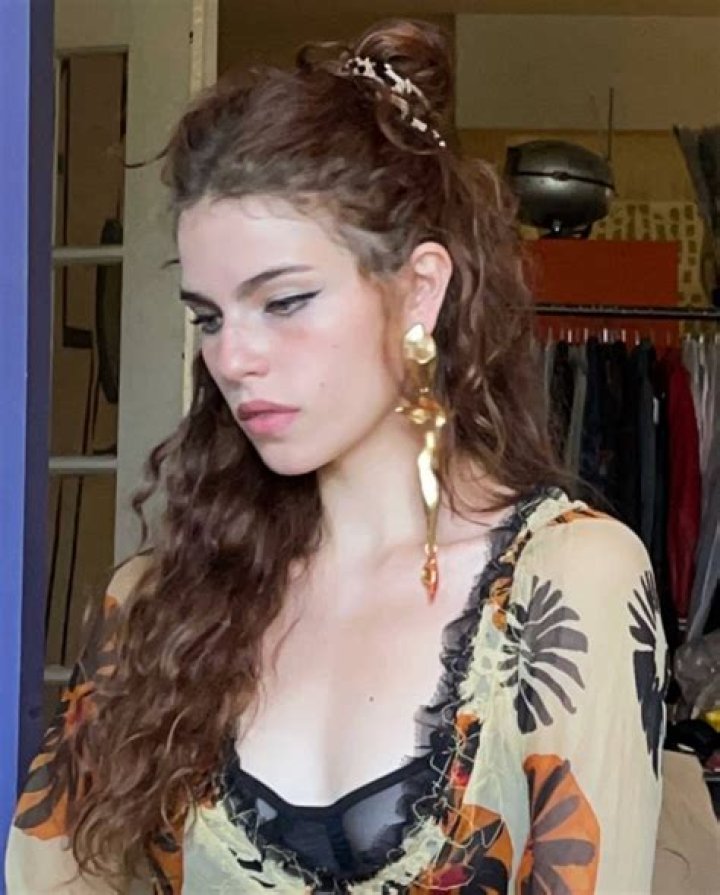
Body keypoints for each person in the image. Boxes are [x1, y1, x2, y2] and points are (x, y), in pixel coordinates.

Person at [5, 18, 666, 895]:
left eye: (283, 301)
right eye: (209, 316)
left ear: (419, 288)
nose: (232, 356)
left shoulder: (568, 584)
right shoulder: (157, 606)